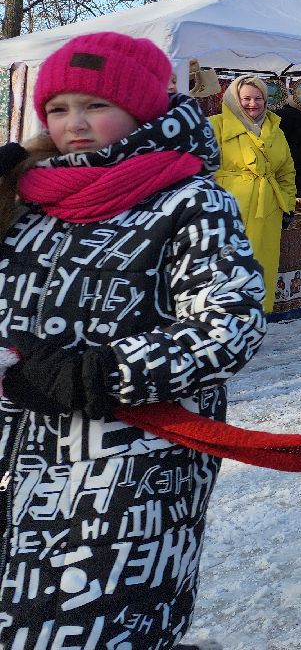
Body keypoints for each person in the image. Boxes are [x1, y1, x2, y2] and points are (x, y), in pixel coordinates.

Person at [0, 32, 267, 649]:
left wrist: (101, 372)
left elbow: (229, 324)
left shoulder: (191, 202)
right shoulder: (27, 199)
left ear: (141, 109)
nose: (74, 124)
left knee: (93, 629)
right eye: (58, 109)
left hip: (127, 466)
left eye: (95, 105)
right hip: (15, 449)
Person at [212, 74, 298, 312]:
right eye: (246, 98)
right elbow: (198, 169)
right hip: (226, 211)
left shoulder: (275, 129)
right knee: (224, 269)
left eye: (258, 98)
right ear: (233, 99)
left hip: (267, 212)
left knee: (260, 267)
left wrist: (287, 205)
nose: (253, 104)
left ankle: (254, 319)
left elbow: (286, 172)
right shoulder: (215, 126)